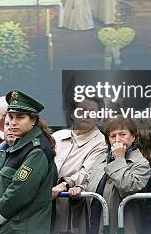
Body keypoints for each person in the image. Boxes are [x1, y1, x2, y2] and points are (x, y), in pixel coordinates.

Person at [0, 90, 55, 234]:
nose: (13, 123)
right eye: (11, 116)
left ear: (33, 120)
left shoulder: (36, 150)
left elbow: (18, 193)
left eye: (20, 117)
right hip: (9, 227)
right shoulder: (18, 145)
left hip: (24, 228)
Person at [86, 117, 151, 234]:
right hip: (96, 223)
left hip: (121, 228)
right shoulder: (102, 159)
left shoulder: (141, 163)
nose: (117, 140)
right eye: (113, 136)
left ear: (133, 137)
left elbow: (128, 188)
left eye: (122, 134)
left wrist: (119, 159)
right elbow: (89, 182)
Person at [52, 97, 107, 234]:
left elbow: (87, 172)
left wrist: (64, 184)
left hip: (71, 207)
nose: (86, 115)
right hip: (45, 203)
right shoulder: (56, 136)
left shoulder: (102, 142)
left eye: (92, 112)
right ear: (72, 114)